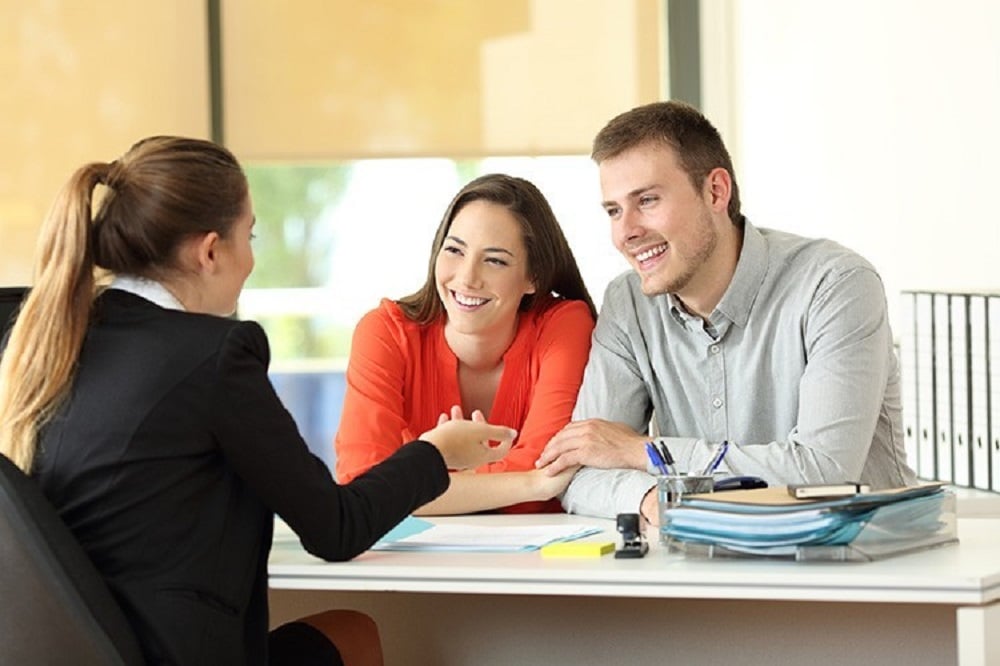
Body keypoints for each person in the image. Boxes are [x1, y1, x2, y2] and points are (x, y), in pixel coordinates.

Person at [0, 136, 519, 666]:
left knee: (345, 633)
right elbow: (335, 528)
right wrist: (437, 453)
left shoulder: (62, 340)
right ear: (209, 251)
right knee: (354, 635)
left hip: (105, 648)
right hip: (171, 652)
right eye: (249, 235)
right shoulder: (211, 356)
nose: (251, 258)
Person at [535, 101, 917, 522]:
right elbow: (581, 472)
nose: (626, 232)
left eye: (647, 200)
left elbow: (824, 473)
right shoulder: (628, 304)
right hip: (709, 567)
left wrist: (646, 453)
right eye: (613, 210)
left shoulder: (835, 284)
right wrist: (652, 500)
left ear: (716, 191)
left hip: (858, 567)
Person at [334, 173, 596, 514]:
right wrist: (530, 482)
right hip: (419, 561)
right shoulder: (386, 332)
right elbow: (362, 488)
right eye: (455, 250)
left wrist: (425, 479)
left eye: (495, 260)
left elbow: (546, 471)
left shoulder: (564, 324)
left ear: (534, 276)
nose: (467, 278)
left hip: (540, 561)